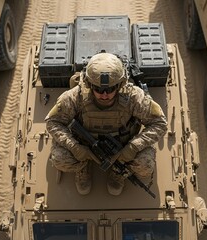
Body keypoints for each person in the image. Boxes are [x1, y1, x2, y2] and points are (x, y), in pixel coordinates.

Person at [45, 52, 168, 196]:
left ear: (120, 84)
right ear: (89, 85)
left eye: (110, 89)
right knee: (60, 159)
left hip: (123, 147)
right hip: (85, 145)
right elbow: (53, 122)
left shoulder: (134, 97)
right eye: (98, 89)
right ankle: (83, 167)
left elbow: (160, 123)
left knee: (145, 164)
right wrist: (75, 147)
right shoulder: (75, 97)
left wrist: (133, 147)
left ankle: (119, 171)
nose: (104, 95)